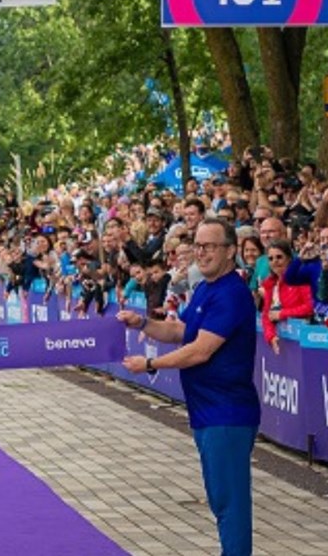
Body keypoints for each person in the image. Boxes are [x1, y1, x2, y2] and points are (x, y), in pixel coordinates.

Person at [120, 217, 259, 556]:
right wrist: (142, 323)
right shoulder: (205, 288)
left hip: (227, 413)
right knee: (220, 498)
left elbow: (200, 351)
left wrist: (149, 364)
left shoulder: (231, 294)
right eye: (198, 246)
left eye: (210, 246)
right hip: (207, 410)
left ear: (230, 251)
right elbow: (182, 331)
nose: (202, 253)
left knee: (229, 503)